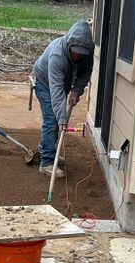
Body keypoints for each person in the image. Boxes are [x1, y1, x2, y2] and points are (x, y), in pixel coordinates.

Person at [32, 20, 94, 177]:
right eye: (75, 52)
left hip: (63, 83)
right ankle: (46, 163)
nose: (78, 55)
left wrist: (76, 91)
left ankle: (47, 149)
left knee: (56, 120)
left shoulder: (87, 52)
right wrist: (62, 119)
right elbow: (56, 91)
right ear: (69, 44)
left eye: (81, 53)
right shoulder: (57, 55)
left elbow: (85, 73)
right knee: (52, 120)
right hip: (45, 83)